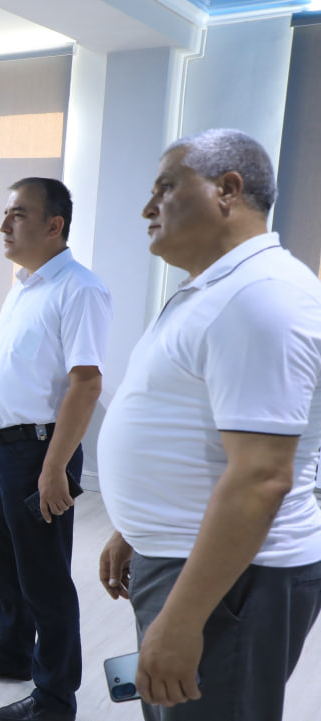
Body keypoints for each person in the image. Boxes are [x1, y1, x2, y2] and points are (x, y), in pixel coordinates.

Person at [97, 129, 321, 721]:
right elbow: (186, 425)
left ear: (228, 190)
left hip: (234, 580)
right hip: (191, 559)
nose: (147, 208)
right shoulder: (214, 291)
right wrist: (135, 528)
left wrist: (182, 621)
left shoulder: (262, 297)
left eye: (165, 188)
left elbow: (261, 478)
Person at [0, 178, 112, 721]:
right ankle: (15, 653)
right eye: (5, 213)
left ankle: (55, 696)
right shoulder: (24, 286)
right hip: (4, 448)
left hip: (41, 454)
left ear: (53, 225)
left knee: (45, 579)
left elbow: (86, 384)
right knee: (7, 568)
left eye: (17, 215)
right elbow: (8, 365)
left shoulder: (79, 289)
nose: (3, 226)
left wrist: (54, 468)